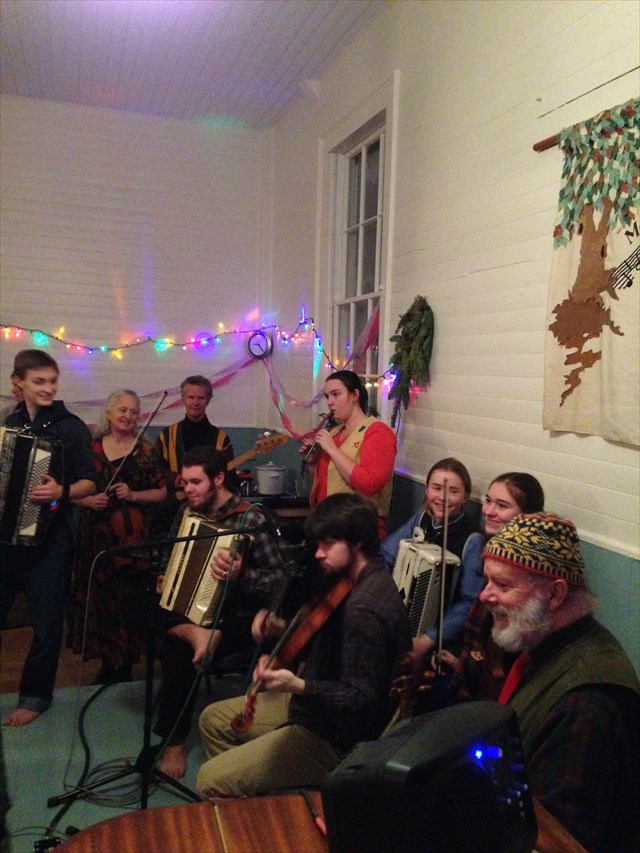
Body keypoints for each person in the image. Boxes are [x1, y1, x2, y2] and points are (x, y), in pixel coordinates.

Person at [195, 492, 412, 798]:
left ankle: (262, 803)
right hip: (313, 708)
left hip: (334, 738)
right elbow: (327, 640)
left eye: (328, 544)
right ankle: (256, 798)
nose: (319, 553)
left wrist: (296, 684)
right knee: (212, 720)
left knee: (209, 779)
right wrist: (278, 629)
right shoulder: (353, 579)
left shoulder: (364, 608)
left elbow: (360, 700)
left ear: (357, 542)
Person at [456, 513, 639, 851]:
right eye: (486, 581)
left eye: (503, 585)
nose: (484, 596)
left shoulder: (586, 703)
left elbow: (554, 840)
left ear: (555, 594)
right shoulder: (548, 648)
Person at [153, 445, 290, 780]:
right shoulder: (186, 512)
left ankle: (174, 742)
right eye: (185, 482)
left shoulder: (252, 518)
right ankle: (197, 634)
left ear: (217, 479)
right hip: (189, 612)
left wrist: (243, 575)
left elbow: (282, 579)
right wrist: (164, 575)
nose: (187, 489)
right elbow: (169, 557)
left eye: (195, 482)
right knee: (137, 601)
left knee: (176, 649)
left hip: (236, 617)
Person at [0, 350, 96, 726]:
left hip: (51, 542)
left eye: (52, 381)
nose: (48, 388)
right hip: (7, 542)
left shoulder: (70, 427)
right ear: (18, 383)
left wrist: (60, 491)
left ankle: (36, 696)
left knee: (46, 624)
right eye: (39, 381)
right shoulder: (9, 424)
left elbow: (90, 482)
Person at [66, 390, 167, 683]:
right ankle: (107, 663)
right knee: (99, 600)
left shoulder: (145, 451)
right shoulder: (90, 449)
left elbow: (162, 492)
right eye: (122, 410)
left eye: (134, 411)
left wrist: (133, 494)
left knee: (126, 600)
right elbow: (67, 490)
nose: (128, 416)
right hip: (94, 539)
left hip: (129, 542)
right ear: (109, 413)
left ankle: (124, 664)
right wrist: (88, 500)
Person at [442, 472, 546, 700]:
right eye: (488, 501)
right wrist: (463, 663)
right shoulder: (489, 548)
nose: (488, 511)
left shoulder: (530, 570)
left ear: (527, 515)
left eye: (502, 505)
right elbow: (478, 633)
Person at [381, 457, 484, 657]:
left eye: (453, 491)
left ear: (465, 497)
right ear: (427, 490)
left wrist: (429, 639)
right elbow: (386, 553)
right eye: (436, 488)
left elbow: (469, 603)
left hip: (441, 638)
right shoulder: (421, 518)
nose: (443, 497)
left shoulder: (472, 541)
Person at [302, 370, 396, 538]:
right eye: (327, 396)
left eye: (336, 394)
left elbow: (369, 484)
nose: (330, 402)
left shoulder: (378, 432)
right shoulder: (335, 432)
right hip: (329, 524)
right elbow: (328, 481)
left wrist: (332, 449)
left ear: (355, 395)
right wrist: (311, 462)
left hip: (358, 530)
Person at [153, 375, 235, 530]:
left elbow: (229, 479)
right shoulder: (166, 436)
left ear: (208, 400)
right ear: (183, 399)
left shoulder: (221, 438)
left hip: (211, 511)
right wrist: (172, 478)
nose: (195, 402)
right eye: (191, 397)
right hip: (174, 509)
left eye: (201, 398)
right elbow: (156, 471)